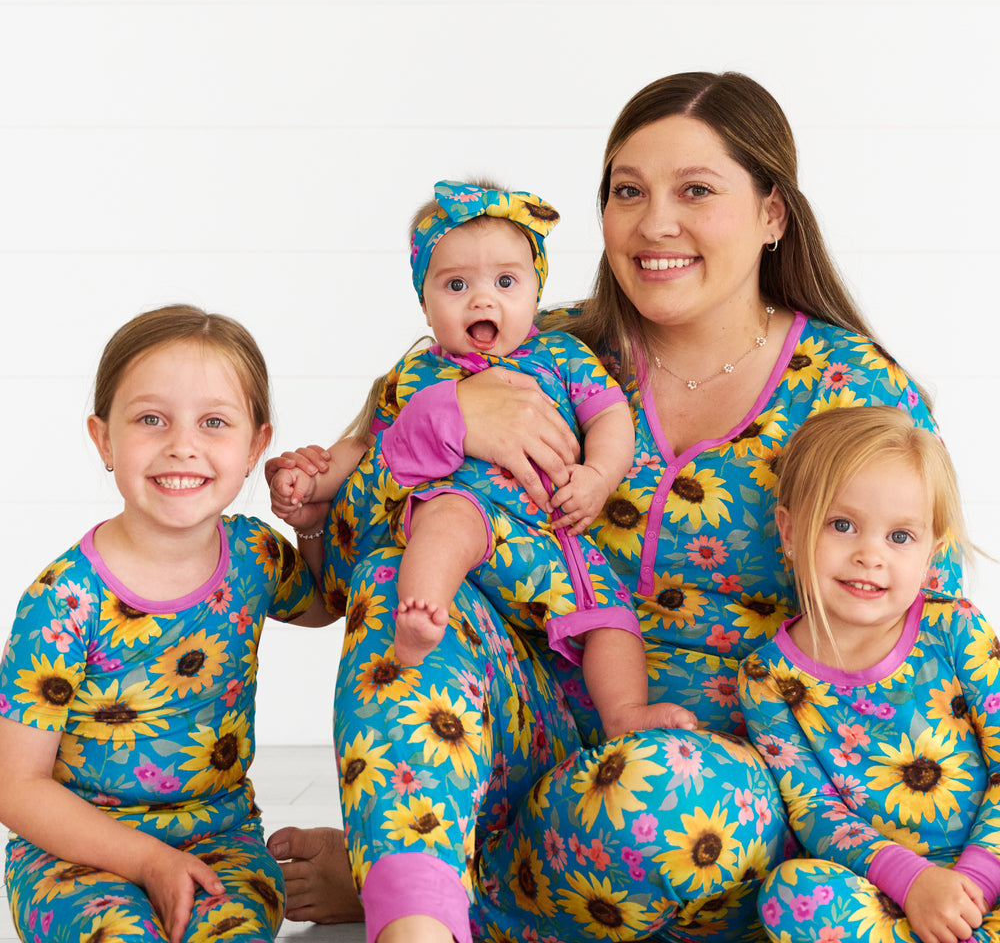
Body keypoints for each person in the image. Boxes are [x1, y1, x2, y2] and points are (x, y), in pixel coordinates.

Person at [265, 71, 964, 943]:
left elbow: (922, 622)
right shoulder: (524, 343)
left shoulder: (853, 392)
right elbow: (343, 567)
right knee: (409, 599)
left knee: (662, 803)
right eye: (627, 192)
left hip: (724, 779)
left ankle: (427, 881)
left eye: (695, 192)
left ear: (774, 214)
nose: (654, 223)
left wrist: (934, 864)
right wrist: (436, 425)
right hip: (523, 739)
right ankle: (415, 922)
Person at [269, 179, 697, 739]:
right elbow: (367, 450)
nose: (483, 299)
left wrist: (597, 476)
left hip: (552, 542)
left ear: (535, 294)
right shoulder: (417, 372)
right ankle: (424, 610)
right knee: (449, 517)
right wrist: (311, 481)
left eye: (505, 281)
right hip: (471, 516)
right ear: (424, 305)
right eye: (455, 284)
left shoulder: (562, 356)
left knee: (611, 620)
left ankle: (622, 715)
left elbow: (609, 418)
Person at [0, 305, 337, 943]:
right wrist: (147, 861)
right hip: (73, 852)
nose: (183, 444)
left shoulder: (255, 556)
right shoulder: (64, 600)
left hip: (220, 838)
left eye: (214, 422)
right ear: (103, 439)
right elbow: (15, 786)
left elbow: (324, 604)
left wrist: (310, 520)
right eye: (151, 419)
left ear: (255, 446)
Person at [738, 406, 999, 943]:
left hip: (989, 875)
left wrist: (970, 884)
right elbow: (816, 811)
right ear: (789, 532)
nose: (869, 555)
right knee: (792, 893)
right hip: (880, 892)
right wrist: (914, 882)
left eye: (900, 537)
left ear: (932, 554)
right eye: (842, 525)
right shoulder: (767, 676)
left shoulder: (955, 630)